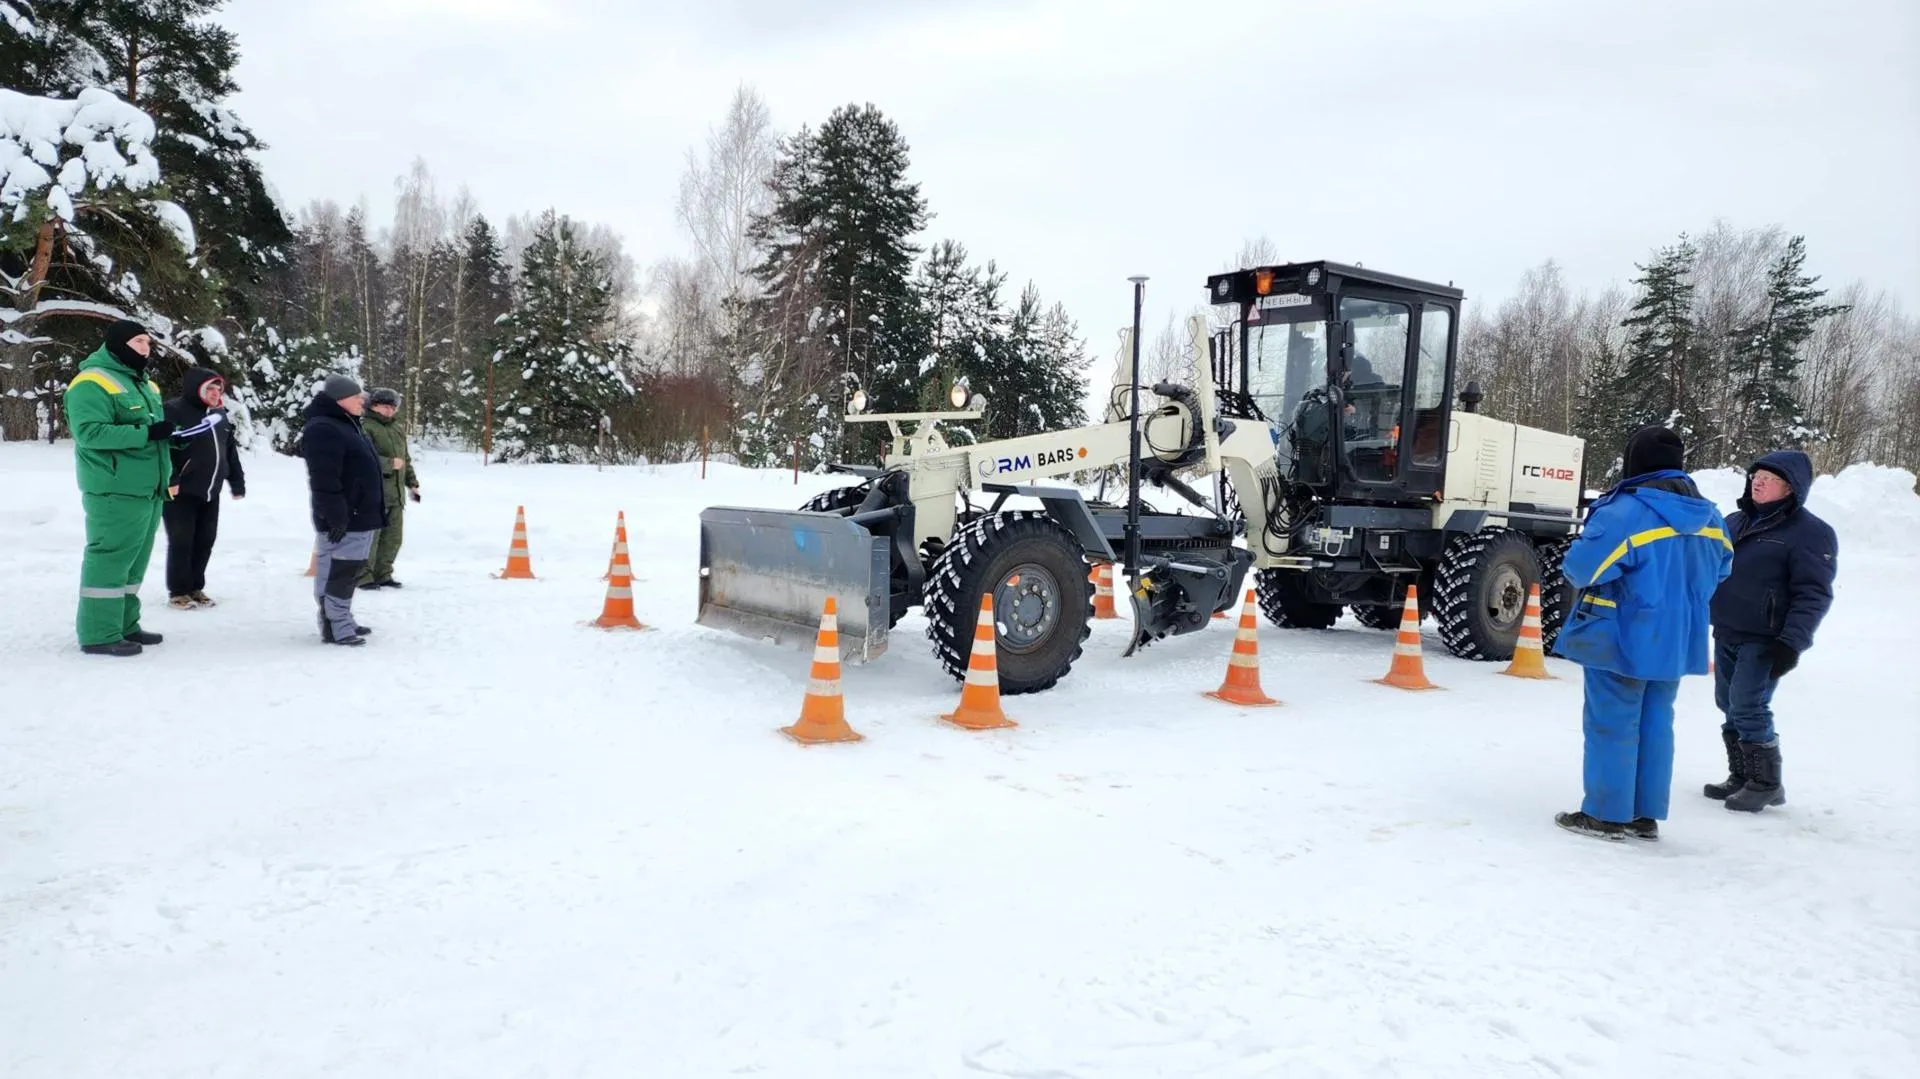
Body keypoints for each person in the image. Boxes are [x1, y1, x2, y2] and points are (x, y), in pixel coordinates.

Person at [1550, 425, 1734, 841]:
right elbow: (1723, 569)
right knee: (1656, 722)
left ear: (1635, 462)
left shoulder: (1625, 512)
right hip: (1676, 639)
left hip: (1621, 636)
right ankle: (1644, 815)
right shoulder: (1711, 517)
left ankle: (1605, 814)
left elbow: (1581, 570)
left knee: (1612, 722)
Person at [62, 320, 223, 656]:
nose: (146, 349)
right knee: (110, 557)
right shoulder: (91, 382)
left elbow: (151, 431)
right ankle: (99, 634)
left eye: (148, 343)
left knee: (134, 562)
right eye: (138, 342)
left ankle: (125, 624)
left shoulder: (144, 384)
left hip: (148, 487)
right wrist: (147, 434)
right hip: (115, 488)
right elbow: (89, 433)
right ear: (119, 344)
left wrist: (171, 439)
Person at [1704, 451, 1837, 813]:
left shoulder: (1811, 533)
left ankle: (1766, 783)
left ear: (1790, 487)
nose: (1758, 483)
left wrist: (1792, 643)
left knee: (1749, 705)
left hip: (1766, 638)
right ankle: (1741, 775)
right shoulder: (1735, 521)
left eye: (1768, 478)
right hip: (1728, 628)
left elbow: (1813, 593)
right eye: (1755, 476)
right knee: (1728, 703)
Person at [300, 375, 386, 646]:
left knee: (348, 571)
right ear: (340, 399)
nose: (363, 401)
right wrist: (336, 515)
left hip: (359, 514)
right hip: (344, 518)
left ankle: (342, 618)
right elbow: (324, 479)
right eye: (357, 397)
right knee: (338, 572)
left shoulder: (348, 424)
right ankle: (335, 626)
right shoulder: (323, 428)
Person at [162, 367, 247, 608]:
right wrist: (171, 479)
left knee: (205, 540)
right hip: (181, 491)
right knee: (182, 541)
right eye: (210, 388)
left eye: (218, 388)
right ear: (195, 388)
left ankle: (195, 587)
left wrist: (237, 481)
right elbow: (163, 448)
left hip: (210, 491)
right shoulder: (174, 410)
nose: (215, 392)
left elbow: (229, 450)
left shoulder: (219, 415)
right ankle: (178, 591)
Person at [357, 387, 421, 589]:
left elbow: (405, 459)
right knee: (371, 538)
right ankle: (363, 576)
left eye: (392, 408)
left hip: (396, 495)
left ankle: (383, 573)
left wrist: (412, 483)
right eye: (385, 407)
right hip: (374, 494)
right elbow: (362, 458)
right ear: (373, 406)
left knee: (393, 538)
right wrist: (388, 463)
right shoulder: (366, 427)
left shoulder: (397, 429)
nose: (389, 411)